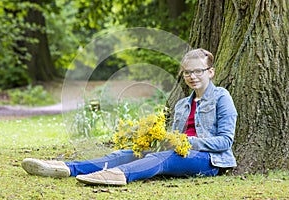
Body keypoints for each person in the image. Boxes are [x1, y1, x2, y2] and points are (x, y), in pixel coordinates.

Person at [21, 48, 238, 186]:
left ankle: (117, 175)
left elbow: (226, 141)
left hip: (210, 160)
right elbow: (173, 136)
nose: (192, 76)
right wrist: (152, 137)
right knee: (129, 152)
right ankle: (66, 168)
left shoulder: (222, 97)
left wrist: (187, 141)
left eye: (198, 71)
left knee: (161, 158)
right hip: (178, 151)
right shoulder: (182, 104)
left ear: (210, 72)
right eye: (187, 72)